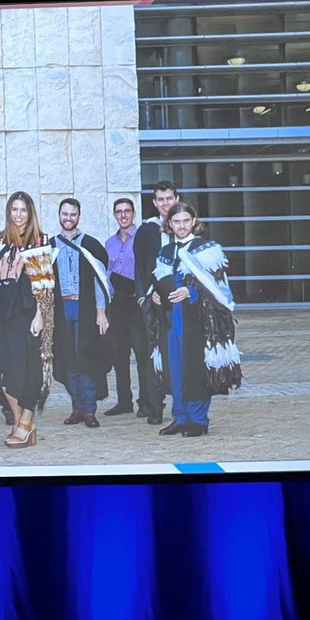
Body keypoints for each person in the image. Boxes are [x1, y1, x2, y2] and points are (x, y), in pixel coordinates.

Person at [151, 202, 241, 437]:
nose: (181, 226)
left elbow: (220, 289)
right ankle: (179, 417)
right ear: (169, 224)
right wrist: (156, 296)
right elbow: (160, 280)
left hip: (198, 320)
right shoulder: (165, 252)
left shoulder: (207, 249)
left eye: (185, 221)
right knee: (175, 369)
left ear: (193, 222)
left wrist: (190, 293)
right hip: (172, 320)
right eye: (176, 221)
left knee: (196, 369)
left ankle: (199, 420)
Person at [0, 191, 56, 448]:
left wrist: (40, 317)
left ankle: (24, 423)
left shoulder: (41, 241)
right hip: (1, 311)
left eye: (23, 210)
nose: (19, 215)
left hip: (27, 312)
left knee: (26, 369)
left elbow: (46, 286)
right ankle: (22, 421)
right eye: (14, 210)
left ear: (30, 213)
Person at [52, 197, 113, 429]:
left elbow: (100, 282)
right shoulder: (50, 246)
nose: (68, 218)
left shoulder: (92, 245)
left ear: (79, 216)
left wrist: (101, 311)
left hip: (85, 308)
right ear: (59, 215)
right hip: (61, 309)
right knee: (67, 359)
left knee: (85, 357)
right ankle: (76, 407)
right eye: (65, 214)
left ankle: (89, 410)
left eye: (73, 214)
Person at [103, 197, 158, 422]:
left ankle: (145, 401)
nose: (123, 215)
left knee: (142, 353)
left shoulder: (142, 238)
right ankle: (124, 400)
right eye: (119, 212)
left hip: (136, 298)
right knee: (119, 354)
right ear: (114, 215)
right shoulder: (109, 243)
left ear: (133, 213)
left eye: (127, 211)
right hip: (116, 301)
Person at [131, 181, 181, 426]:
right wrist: (144, 296)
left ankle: (181, 404)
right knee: (153, 354)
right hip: (153, 300)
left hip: (179, 301)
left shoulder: (184, 225)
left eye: (169, 198)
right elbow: (138, 266)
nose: (165, 204)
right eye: (160, 200)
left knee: (180, 351)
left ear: (176, 198)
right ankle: (155, 406)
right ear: (154, 202)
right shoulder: (146, 230)